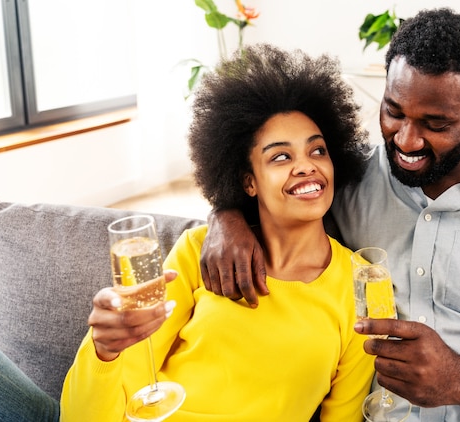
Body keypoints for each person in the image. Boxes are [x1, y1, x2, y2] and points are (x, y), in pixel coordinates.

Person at [199, 8, 460, 421]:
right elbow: (273, 185)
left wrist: (459, 379)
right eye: (393, 111)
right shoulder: (348, 179)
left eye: (435, 122)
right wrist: (226, 213)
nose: (406, 140)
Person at [60, 44, 375, 421]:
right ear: (249, 182)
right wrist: (104, 351)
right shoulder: (197, 250)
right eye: (280, 157)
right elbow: (91, 411)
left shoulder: (362, 286)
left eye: (318, 151)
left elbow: (345, 415)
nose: (306, 166)